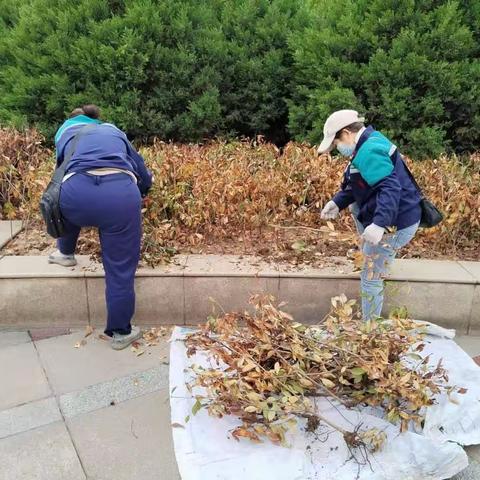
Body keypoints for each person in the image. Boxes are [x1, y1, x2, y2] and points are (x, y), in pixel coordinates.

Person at [48, 104, 153, 349]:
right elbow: (140, 169)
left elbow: (61, 172)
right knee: (119, 269)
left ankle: (65, 253)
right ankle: (119, 332)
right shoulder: (112, 131)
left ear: (72, 121)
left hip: (75, 194)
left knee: (67, 202)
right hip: (119, 195)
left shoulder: (64, 134)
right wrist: (143, 189)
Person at [317, 110, 422, 321]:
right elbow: (362, 181)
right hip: (396, 217)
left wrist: (380, 224)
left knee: (370, 277)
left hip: (395, 224)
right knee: (371, 267)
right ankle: (370, 325)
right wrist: (337, 202)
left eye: (336, 143)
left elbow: (390, 188)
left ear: (346, 133)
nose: (337, 149)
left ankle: (369, 331)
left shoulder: (369, 151)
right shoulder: (368, 143)